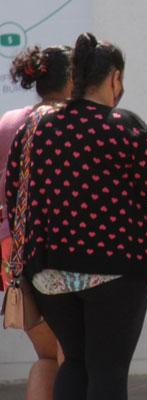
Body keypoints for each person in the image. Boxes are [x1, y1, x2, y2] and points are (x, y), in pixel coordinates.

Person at [4, 32, 147, 400]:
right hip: (115, 269)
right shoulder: (124, 127)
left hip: (49, 274)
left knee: (75, 362)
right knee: (108, 371)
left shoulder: (35, 129)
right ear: (114, 78)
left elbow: (13, 196)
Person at [0, 44, 70, 400]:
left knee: (47, 355)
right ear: (74, 79)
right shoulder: (69, 123)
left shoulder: (10, 121)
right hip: (57, 250)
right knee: (72, 355)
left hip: (10, 251)